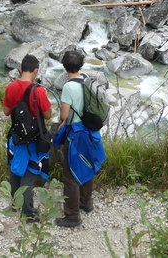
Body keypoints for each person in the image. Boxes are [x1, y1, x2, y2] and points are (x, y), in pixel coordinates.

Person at [53, 50, 106, 228]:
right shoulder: (87, 80)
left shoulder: (68, 87)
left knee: (70, 176)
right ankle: (86, 202)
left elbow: (64, 115)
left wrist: (62, 122)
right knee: (88, 165)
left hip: (76, 134)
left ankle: (72, 216)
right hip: (91, 132)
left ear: (64, 66)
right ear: (81, 65)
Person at [3, 54, 52, 222]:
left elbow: (6, 111)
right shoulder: (38, 91)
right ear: (36, 70)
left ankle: (14, 204)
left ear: (20, 69)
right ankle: (28, 213)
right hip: (34, 140)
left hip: (17, 137)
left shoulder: (11, 87)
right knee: (29, 175)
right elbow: (47, 115)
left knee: (16, 169)